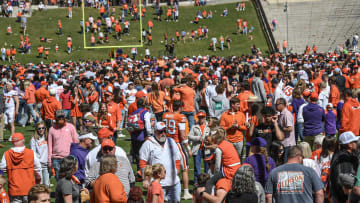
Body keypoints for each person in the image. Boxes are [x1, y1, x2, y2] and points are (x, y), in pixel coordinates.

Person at [140, 122, 182, 203]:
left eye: (164, 131)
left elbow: (177, 157)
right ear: (155, 131)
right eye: (160, 132)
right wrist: (145, 179)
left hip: (174, 183)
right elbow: (143, 163)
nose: (163, 134)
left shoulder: (171, 141)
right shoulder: (148, 144)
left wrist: (177, 168)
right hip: (158, 184)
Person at [162, 100, 192, 200]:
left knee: (168, 167)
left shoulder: (165, 115)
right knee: (184, 168)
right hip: (176, 143)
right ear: (181, 107)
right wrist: (188, 148)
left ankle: (165, 192)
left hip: (166, 143)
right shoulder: (181, 117)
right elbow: (183, 134)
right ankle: (186, 192)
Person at [0, 133, 42, 202]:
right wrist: (39, 180)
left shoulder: (6, 154)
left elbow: (2, 168)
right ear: (23, 141)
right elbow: (38, 168)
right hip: (29, 188)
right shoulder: (31, 153)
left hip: (14, 189)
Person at [48, 110, 79, 180]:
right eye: (59, 117)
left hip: (69, 157)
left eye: (62, 117)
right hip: (56, 159)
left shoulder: (71, 127)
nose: (61, 119)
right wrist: (49, 160)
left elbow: (76, 142)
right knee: (59, 179)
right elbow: (50, 145)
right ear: (55, 118)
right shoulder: (51, 129)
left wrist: (76, 157)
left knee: (70, 179)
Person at [330, 131, 359, 203]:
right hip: (343, 198)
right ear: (350, 145)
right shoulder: (344, 158)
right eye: (355, 141)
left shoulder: (341, 154)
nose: (357, 143)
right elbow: (344, 182)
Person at [188, 110, 210, 184]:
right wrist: (198, 138)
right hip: (197, 149)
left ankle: (207, 181)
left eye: (202, 117)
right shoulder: (194, 126)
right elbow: (189, 136)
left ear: (205, 117)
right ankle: (197, 181)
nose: (201, 119)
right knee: (197, 167)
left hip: (206, 149)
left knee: (207, 167)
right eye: (199, 117)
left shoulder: (208, 126)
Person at [30, 121, 50, 186]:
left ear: (45, 128)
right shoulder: (34, 139)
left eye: (43, 128)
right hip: (38, 164)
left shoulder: (47, 137)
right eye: (39, 128)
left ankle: (46, 196)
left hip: (47, 164)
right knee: (39, 183)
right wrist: (37, 162)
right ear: (36, 129)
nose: (41, 130)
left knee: (46, 183)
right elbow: (33, 152)